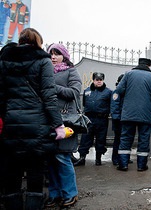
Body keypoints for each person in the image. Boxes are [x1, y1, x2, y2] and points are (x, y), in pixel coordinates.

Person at [0, 28, 66, 210]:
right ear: (38, 41)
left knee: (12, 171)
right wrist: (58, 124)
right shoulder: (43, 60)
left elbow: (2, 94)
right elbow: (49, 96)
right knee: (35, 171)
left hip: (11, 123)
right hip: (36, 124)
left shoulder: (5, 60)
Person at [46, 43, 81, 208]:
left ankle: (70, 194)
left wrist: (54, 87)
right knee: (50, 159)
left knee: (62, 157)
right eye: (51, 54)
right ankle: (54, 194)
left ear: (64, 56)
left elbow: (74, 92)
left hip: (66, 121)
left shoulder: (70, 71)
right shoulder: (45, 71)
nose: (53, 57)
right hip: (47, 120)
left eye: (57, 54)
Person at [115, 58, 151, 171]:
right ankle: (141, 165)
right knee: (144, 139)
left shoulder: (128, 74)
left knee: (125, 138)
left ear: (139, 64)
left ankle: (123, 164)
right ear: (149, 66)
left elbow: (119, 90)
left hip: (128, 114)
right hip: (145, 114)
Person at [74, 72, 111, 166]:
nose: (99, 82)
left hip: (102, 119)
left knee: (101, 139)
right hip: (89, 118)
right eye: (97, 80)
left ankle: (98, 158)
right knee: (85, 138)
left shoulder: (108, 92)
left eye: (100, 80)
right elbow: (84, 104)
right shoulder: (87, 91)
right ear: (93, 80)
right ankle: (82, 157)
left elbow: (111, 105)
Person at [111, 73, 124, 165]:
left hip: (125, 119)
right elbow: (114, 107)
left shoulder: (125, 91)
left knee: (124, 140)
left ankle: (122, 157)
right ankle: (115, 158)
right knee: (118, 139)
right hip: (118, 120)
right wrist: (117, 118)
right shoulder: (116, 92)